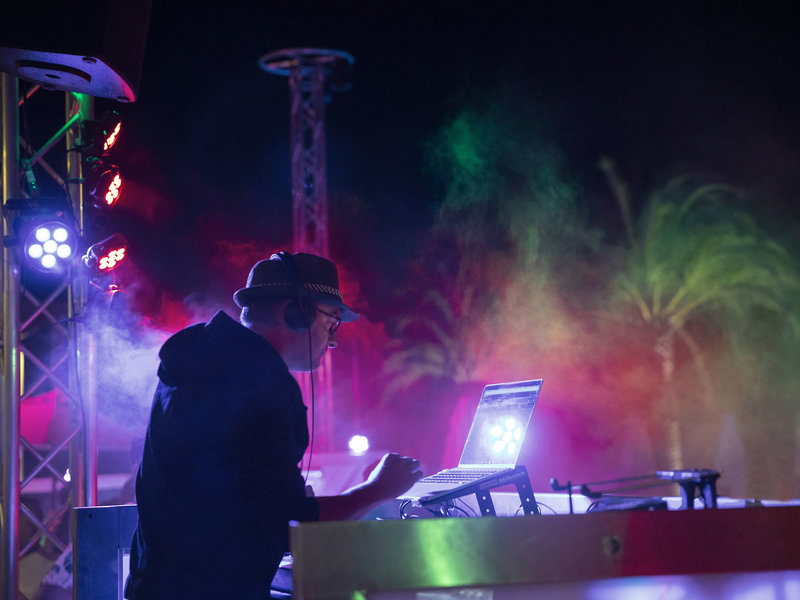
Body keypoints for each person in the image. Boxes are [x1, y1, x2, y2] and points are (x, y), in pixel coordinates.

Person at [125, 252, 422, 599]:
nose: (333, 340)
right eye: (331, 322)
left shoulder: (199, 361)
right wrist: (378, 489)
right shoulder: (263, 382)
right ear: (296, 313)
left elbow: (228, 496)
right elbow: (288, 526)